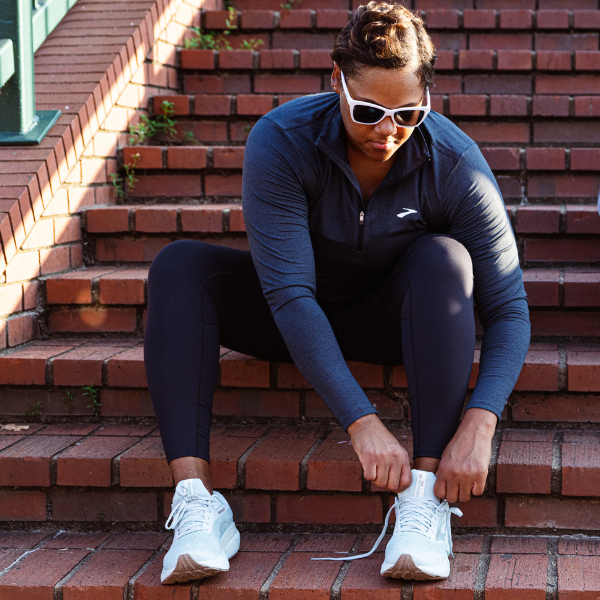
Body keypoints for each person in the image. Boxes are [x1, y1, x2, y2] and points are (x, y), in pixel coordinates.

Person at [144, 0, 531, 585]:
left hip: (392, 319)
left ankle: (423, 501)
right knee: (178, 267)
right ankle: (197, 505)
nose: (387, 131)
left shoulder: (454, 163)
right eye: (369, 110)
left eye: (408, 113)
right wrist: (362, 421)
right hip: (293, 315)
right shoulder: (283, 139)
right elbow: (292, 297)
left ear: (428, 95)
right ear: (337, 83)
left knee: (445, 258)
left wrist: (480, 422)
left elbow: (508, 309)